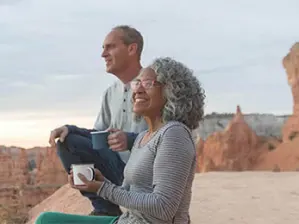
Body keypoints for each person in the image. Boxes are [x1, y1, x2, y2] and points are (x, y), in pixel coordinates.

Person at [35, 57, 206, 224]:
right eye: (137, 83)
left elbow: (163, 208)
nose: (138, 90)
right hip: (126, 220)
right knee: (46, 219)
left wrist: (104, 189)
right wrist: (102, 183)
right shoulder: (143, 137)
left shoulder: (174, 134)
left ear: (172, 92)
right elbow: (130, 195)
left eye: (147, 83)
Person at [48, 25, 148, 216]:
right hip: (118, 170)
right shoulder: (110, 93)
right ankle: (106, 209)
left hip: (146, 175)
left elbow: (171, 137)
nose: (103, 54)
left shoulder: (154, 87)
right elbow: (98, 136)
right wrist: (71, 129)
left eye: (110, 47)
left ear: (131, 49)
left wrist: (131, 140)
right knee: (68, 143)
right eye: (103, 48)